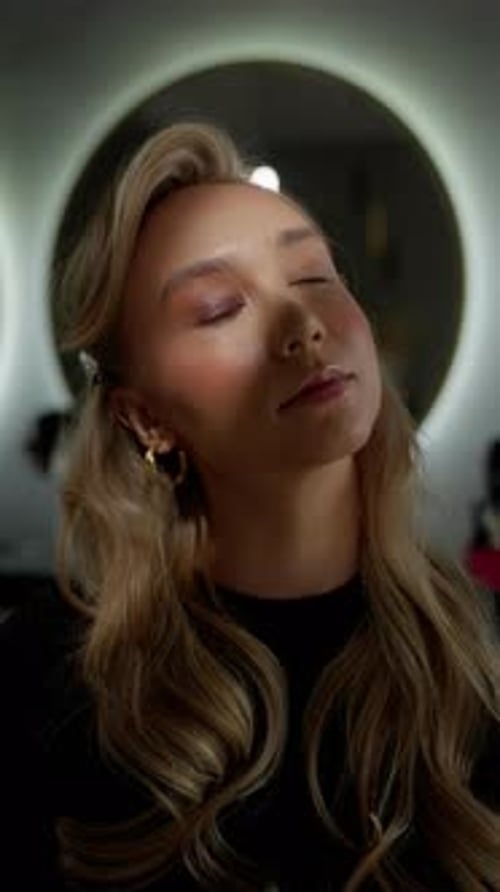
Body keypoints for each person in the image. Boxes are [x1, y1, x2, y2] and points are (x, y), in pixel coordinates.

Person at [1, 121, 499, 892]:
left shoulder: (484, 660)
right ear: (144, 418)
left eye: (313, 278)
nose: (303, 327)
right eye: (217, 308)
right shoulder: (43, 688)